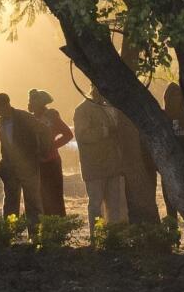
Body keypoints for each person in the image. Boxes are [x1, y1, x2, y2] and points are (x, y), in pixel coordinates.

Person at [74, 88, 128, 237]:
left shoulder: (108, 107)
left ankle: (115, 236)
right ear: (92, 89)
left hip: (113, 164)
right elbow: (82, 135)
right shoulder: (83, 110)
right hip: (94, 166)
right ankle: (97, 236)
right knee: (96, 204)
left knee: (115, 204)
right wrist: (105, 131)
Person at [0, 92, 48, 233]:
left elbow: (44, 131)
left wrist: (42, 152)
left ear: (5, 105)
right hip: (10, 167)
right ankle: (10, 233)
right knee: (11, 201)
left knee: (32, 202)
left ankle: (35, 234)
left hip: (29, 166)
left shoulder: (25, 117)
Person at [28, 89, 73, 217]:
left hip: (52, 162)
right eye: (30, 100)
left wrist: (53, 145)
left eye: (33, 100)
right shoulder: (29, 119)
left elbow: (68, 134)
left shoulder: (52, 117)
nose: (30, 103)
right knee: (40, 197)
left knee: (55, 196)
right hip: (36, 164)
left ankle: (59, 226)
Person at [162, 82, 184, 219]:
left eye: (178, 95)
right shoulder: (161, 116)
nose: (175, 99)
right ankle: (172, 231)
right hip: (168, 165)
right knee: (170, 201)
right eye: (172, 96)